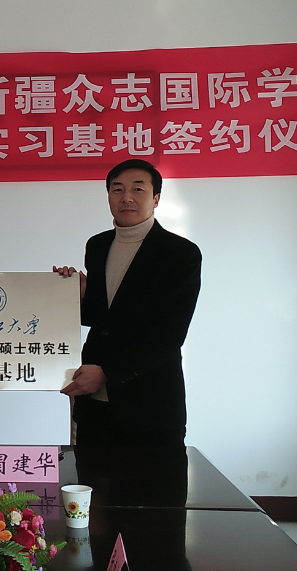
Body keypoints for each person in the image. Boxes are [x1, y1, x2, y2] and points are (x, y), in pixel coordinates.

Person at [54, 159, 201, 448]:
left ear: (156, 198)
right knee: (91, 475)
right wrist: (79, 296)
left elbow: (169, 333)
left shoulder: (180, 253)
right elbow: (102, 318)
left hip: (149, 401)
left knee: (153, 478)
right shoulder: (98, 245)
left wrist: (107, 373)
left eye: (138, 189)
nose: (127, 197)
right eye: (117, 189)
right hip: (93, 402)